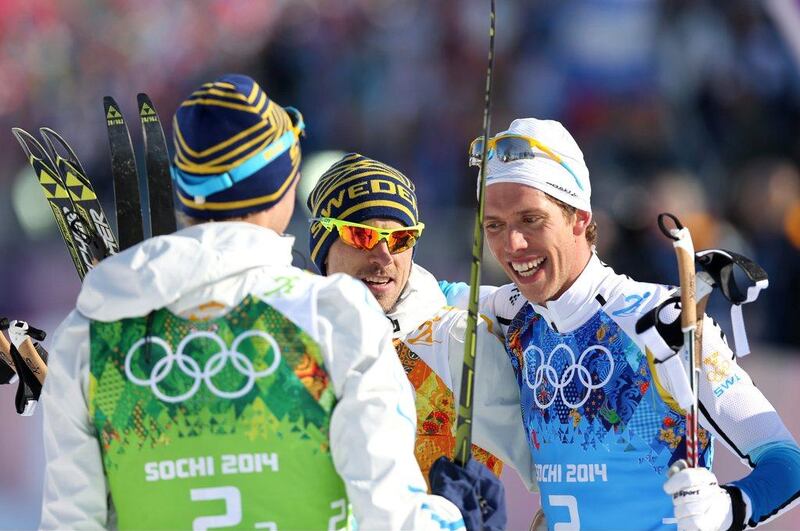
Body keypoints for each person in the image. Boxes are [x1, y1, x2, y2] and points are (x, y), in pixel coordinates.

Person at [39, 74, 469, 530]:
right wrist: (451, 514)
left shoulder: (91, 334)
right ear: (287, 183)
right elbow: (392, 520)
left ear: (184, 192)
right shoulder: (334, 318)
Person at [442, 117, 800, 530]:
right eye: (495, 225)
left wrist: (731, 508)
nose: (512, 245)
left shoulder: (662, 322)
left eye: (531, 220)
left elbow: (786, 461)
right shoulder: (512, 312)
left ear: (578, 217)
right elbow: (414, 290)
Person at [306, 153, 537, 523]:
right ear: (323, 244)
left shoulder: (461, 333)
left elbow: (557, 477)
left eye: (401, 238)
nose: (383, 256)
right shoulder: (293, 339)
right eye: (362, 235)